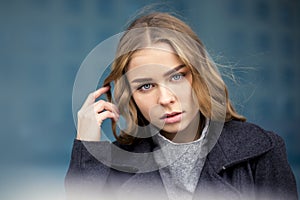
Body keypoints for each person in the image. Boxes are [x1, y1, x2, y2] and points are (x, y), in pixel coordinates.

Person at [65, 12, 298, 200]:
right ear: (131, 95)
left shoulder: (262, 151)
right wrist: (87, 148)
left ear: (200, 74)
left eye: (176, 77)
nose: (165, 99)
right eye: (146, 86)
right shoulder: (113, 167)